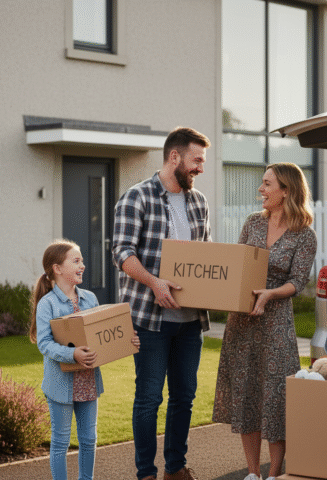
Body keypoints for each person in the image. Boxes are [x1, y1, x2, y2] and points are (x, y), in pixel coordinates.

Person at [112, 126, 212, 480]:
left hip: (189, 322)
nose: (200, 168)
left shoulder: (198, 203)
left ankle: (175, 467)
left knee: (184, 397)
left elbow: (206, 258)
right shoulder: (136, 197)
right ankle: (145, 473)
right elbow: (122, 252)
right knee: (149, 398)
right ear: (175, 157)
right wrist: (154, 282)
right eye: (196, 160)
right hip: (149, 320)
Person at [212, 163, 317, 480]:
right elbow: (239, 265)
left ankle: (274, 474)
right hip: (242, 323)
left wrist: (269, 295)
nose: (261, 189)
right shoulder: (252, 224)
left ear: (286, 190)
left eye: (267, 183)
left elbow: (298, 282)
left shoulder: (304, 235)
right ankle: (253, 474)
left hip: (275, 324)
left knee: (276, 396)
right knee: (247, 395)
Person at [29, 239, 140, 480]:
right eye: (76, 261)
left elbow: (102, 336)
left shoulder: (89, 298)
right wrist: (72, 354)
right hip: (60, 385)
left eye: (82, 261)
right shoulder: (47, 304)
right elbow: (44, 343)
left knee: (89, 439)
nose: (83, 266)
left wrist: (127, 341)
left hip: (88, 380)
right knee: (60, 441)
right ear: (57, 269)